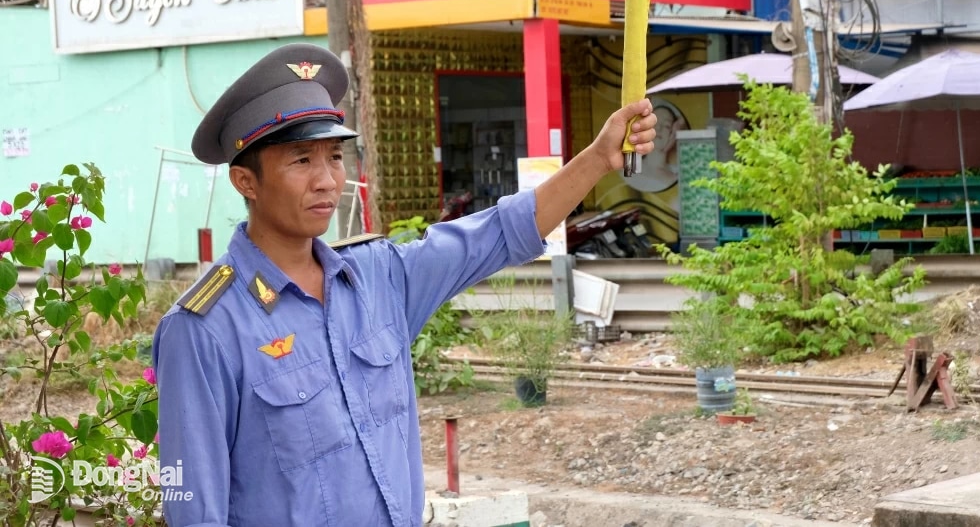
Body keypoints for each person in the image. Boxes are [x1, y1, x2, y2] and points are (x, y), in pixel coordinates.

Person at [151, 42, 657, 527]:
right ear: (247, 182)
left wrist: (599, 157)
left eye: (334, 156)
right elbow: (194, 509)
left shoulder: (379, 279)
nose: (327, 179)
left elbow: (499, 234)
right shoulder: (204, 329)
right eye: (301, 160)